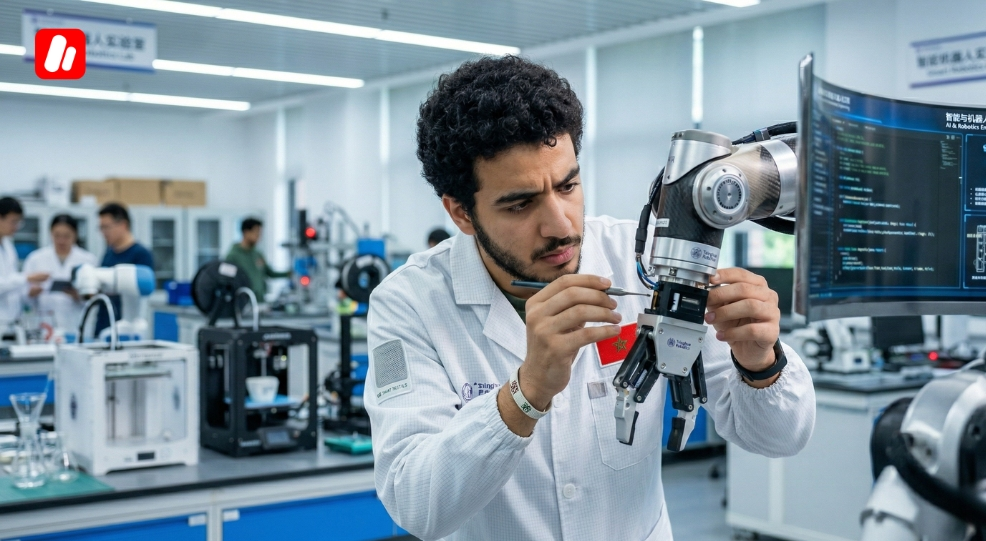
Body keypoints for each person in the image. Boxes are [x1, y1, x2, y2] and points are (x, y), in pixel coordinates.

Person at [364, 56, 816, 540]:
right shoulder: (406, 304)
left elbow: (781, 436)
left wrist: (760, 363)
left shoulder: (649, 260)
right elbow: (414, 502)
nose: (560, 225)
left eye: (568, 185)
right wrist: (526, 393)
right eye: (520, 204)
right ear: (461, 213)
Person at [22, 214, 98, 332]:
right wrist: (32, 293)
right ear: (50, 233)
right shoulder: (35, 259)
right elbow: (22, 296)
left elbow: (95, 298)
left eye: (66, 236)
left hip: (76, 324)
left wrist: (79, 295)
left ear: (75, 235)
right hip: (45, 325)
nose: (61, 241)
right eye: (57, 235)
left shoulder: (88, 260)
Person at [96, 203, 153, 335]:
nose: (103, 232)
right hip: (104, 321)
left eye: (106, 227)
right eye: (101, 228)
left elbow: (142, 291)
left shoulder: (141, 254)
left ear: (123, 225)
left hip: (127, 327)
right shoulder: (109, 253)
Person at [0, 197, 49, 329]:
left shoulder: (8, 246)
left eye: (18, 222)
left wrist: (28, 292)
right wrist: (26, 277)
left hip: (10, 321)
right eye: (13, 222)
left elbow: (11, 283)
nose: (16, 227)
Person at [225, 217, 290, 300]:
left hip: (260, 300)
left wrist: (289, 274)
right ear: (246, 232)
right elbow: (227, 281)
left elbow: (270, 273)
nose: (259, 236)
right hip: (243, 301)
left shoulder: (258, 254)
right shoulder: (233, 256)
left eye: (260, 233)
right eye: (256, 233)